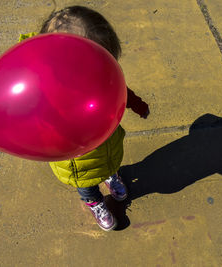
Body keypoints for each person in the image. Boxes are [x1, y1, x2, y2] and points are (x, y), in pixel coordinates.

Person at [21, 6, 149, 231]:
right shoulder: (43, 88)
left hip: (106, 143)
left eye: (107, 61)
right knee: (87, 184)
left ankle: (111, 176)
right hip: (76, 159)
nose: (102, 70)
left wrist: (137, 105)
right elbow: (32, 120)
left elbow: (121, 90)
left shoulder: (101, 75)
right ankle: (95, 202)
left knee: (109, 165)